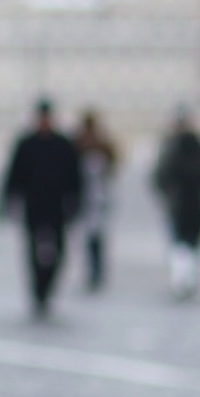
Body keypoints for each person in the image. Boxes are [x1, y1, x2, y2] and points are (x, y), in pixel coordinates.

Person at [0, 99, 83, 318]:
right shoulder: (26, 144)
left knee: (58, 252)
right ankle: (38, 292)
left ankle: (47, 289)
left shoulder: (63, 145)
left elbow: (75, 178)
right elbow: (13, 176)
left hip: (57, 209)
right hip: (34, 207)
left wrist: (76, 203)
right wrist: (7, 202)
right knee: (33, 252)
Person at [153, 107, 200, 300]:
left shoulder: (171, 145)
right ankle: (188, 280)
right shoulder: (197, 144)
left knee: (180, 243)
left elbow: (160, 175)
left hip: (179, 202)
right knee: (192, 243)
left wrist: (167, 192)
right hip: (194, 201)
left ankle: (181, 281)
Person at [75, 109, 118, 292]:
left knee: (94, 236)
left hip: (96, 197)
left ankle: (95, 271)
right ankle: (95, 270)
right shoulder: (82, 144)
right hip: (90, 197)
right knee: (92, 236)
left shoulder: (99, 145)